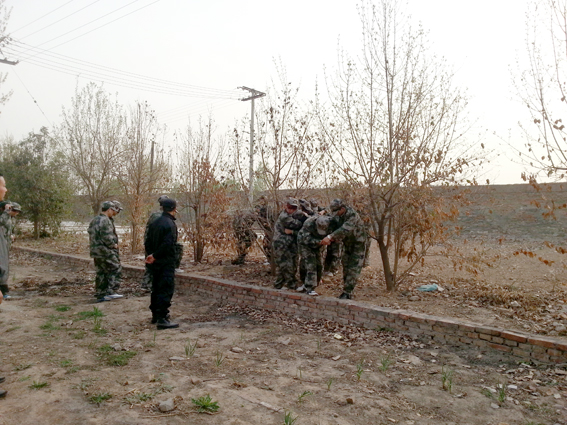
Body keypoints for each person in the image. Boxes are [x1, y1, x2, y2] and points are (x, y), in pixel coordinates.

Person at [321, 199, 368, 299]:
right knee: (345, 266)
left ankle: (348, 292)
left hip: (358, 245)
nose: (335, 214)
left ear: (342, 209)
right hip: (347, 244)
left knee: (353, 268)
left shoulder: (352, 215)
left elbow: (345, 229)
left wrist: (330, 237)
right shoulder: (339, 215)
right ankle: (346, 288)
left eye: (336, 211)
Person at [145, 198, 180, 329]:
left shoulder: (155, 222)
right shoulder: (170, 224)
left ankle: (155, 315)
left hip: (155, 262)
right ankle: (162, 318)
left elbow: (147, 241)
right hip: (166, 261)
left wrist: (151, 255)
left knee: (156, 288)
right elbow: (168, 244)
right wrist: (156, 255)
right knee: (165, 288)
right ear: (174, 208)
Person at [88, 201, 124, 303]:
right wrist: (113, 245)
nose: (115, 213)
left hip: (96, 251)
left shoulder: (95, 220)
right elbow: (106, 236)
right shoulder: (105, 220)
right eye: (114, 210)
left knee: (101, 272)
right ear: (109, 209)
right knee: (115, 268)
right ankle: (111, 291)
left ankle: (100, 293)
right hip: (105, 250)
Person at [272, 198, 304, 290]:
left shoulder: (294, 215)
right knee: (286, 265)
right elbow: (298, 224)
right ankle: (292, 284)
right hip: (281, 244)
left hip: (290, 243)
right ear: (286, 206)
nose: (291, 210)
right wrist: (304, 217)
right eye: (290, 207)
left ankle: (278, 284)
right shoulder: (284, 217)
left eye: (294, 208)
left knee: (292, 264)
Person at [297, 215, 332, 296]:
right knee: (311, 264)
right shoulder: (308, 223)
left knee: (319, 265)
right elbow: (306, 239)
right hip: (304, 244)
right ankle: (309, 288)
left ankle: (312, 284)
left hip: (318, 246)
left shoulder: (331, 223)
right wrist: (320, 242)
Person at [141, 195, 169, 291]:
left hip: (150, 243)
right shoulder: (161, 216)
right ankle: (151, 285)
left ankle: (146, 284)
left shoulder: (154, 215)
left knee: (149, 265)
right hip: (156, 245)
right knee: (156, 265)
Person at [0, 202, 20, 298]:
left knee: (4, 267)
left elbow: (11, 229)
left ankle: (4, 291)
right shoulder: (3, 216)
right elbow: (1, 222)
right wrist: (6, 212)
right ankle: (3, 291)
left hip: (5, 245)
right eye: (14, 210)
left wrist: (12, 235)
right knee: (2, 267)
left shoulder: (11, 218)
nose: (16, 213)